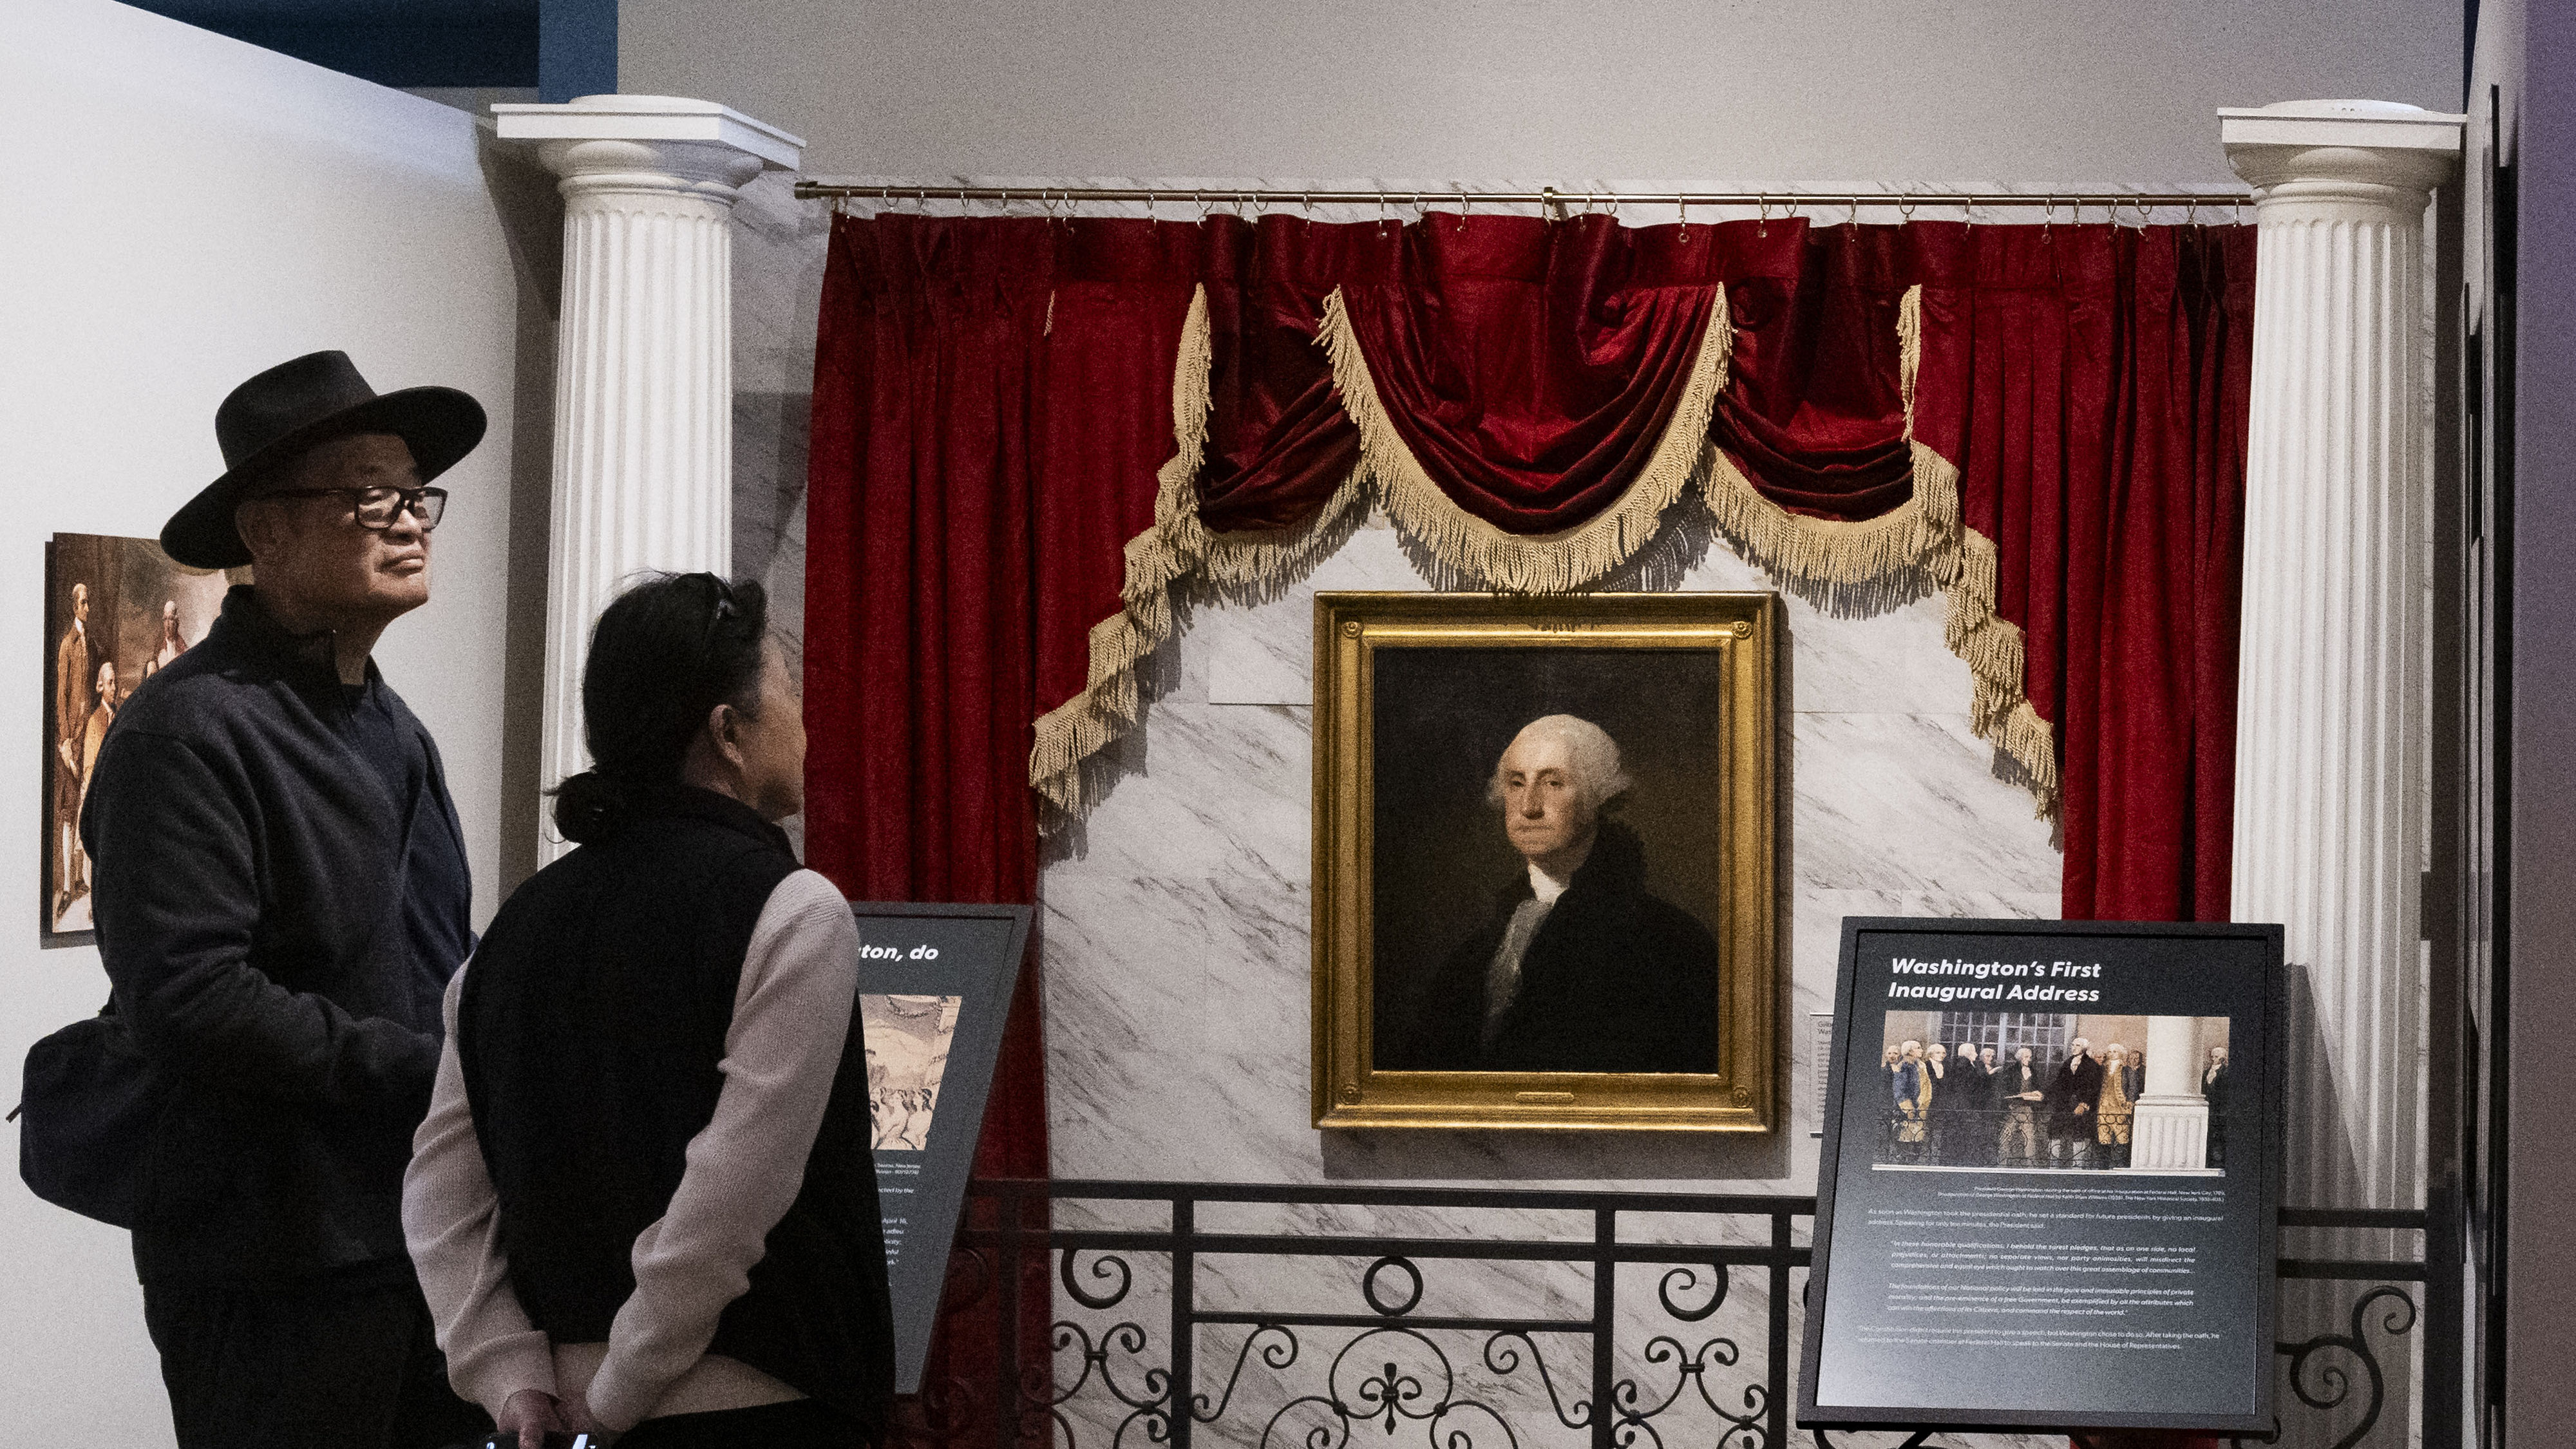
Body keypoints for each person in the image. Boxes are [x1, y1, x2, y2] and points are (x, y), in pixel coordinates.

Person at [82, 351, 488, 1448]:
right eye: (368, 494)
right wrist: (437, 1066)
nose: (409, 521)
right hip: (273, 1262)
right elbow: (191, 999)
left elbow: (430, 955)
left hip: (419, 1244)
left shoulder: (392, 726)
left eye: (416, 494)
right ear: (264, 533)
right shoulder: (188, 730)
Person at [404, 573, 895, 1449]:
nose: (803, 719)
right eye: (786, 690)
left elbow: (442, 1193)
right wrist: (620, 1386)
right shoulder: (794, 909)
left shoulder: (514, 929)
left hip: (550, 1414)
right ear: (729, 732)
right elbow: (731, 1197)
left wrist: (507, 1375)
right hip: (752, 1404)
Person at [1394, 714, 1722, 1072]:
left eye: (1553, 783)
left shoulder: (1671, 945)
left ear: (1598, 796)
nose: (1529, 807)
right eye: (1517, 784)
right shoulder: (1475, 951)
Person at [53, 580, 92, 918]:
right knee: (68, 815)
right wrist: (66, 743)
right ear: (73, 607)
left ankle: (79, 879)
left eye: (89, 602)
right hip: (69, 745)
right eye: (83, 602)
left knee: (81, 809)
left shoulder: (88, 645)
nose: (88, 607)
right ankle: (66, 889)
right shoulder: (67, 645)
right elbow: (61, 698)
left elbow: (86, 697)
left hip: (83, 739)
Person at [2049, 1037, 2103, 1168]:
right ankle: (2053, 1165)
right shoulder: (2067, 1063)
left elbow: (2094, 1088)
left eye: (2077, 1046)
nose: (2073, 1048)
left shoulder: (2092, 1065)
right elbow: (2058, 1083)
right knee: (2055, 1131)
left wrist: (2083, 1104)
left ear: (2084, 1048)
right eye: (2073, 1045)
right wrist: (2044, 1094)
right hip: (2064, 1105)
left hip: (2081, 1106)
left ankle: (2077, 1166)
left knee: (2079, 1134)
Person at [1996, 1046, 2047, 1168]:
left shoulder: (2034, 1072)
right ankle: (2001, 1165)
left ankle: (2031, 1166)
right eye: (2026, 1057)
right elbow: (2004, 1091)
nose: (2029, 1060)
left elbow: (2039, 1088)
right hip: (2013, 1108)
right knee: (2005, 1137)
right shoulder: (2010, 1071)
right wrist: (2013, 1098)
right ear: (2019, 1058)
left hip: (2028, 1109)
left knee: (2030, 1138)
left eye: (2030, 1057)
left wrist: (2037, 1095)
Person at [1893, 1040, 1933, 1161]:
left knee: (1917, 1139)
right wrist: (1908, 1109)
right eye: (1918, 1048)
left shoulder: (1919, 1065)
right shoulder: (1904, 1066)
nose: (1922, 1050)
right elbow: (1899, 1090)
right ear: (1910, 1051)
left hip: (1920, 1108)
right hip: (1909, 1111)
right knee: (1907, 1139)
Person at [2203, 1044, 2231, 1168]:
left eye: (2216, 1057)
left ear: (2222, 1059)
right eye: (2212, 1056)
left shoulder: (2226, 1072)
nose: (2213, 1059)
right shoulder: (2206, 1072)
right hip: (2207, 1110)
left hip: (2220, 1111)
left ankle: (2219, 1163)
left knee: (2220, 1138)